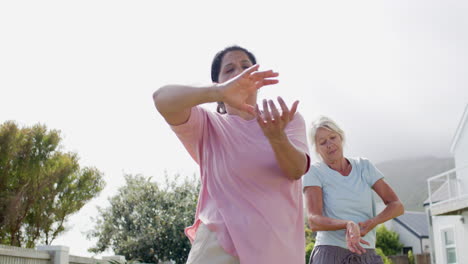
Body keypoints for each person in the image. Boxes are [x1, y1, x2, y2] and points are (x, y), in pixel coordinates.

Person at [152, 45, 310, 264]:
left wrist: (277, 138)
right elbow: (161, 99)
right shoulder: (208, 125)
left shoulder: (286, 120)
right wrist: (217, 92)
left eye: (246, 66)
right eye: (229, 69)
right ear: (219, 82)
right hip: (220, 248)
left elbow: (296, 169)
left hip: (278, 252)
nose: (240, 73)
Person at [303, 116, 404, 264]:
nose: (329, 144)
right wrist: (347, 224)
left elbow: (397, 205)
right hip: (330, 254)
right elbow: (314, 221)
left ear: (341, 137)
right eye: (323, 142)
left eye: (333, 137)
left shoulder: (364, 166)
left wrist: (373, 222)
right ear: (317, 149)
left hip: (367, 254)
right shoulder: (315, 172)